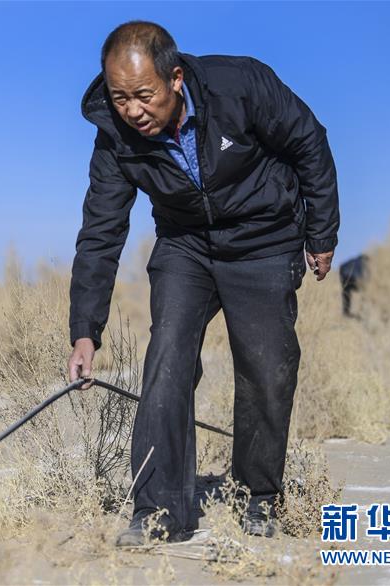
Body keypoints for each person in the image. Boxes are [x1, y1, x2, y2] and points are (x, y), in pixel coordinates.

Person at [66, 21, 339, 546]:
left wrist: (321, 232)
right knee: (167, 356)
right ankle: (158, 509)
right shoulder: (115, 136)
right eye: (120, 98)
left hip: (264, 237)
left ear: (174, 78)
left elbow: (310, 142)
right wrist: (85, 330)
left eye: (143, 95)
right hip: (186, 244)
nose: (132, 110)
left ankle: (258, 497)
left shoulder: (240, 85)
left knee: (266, 366)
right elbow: (101, 231)